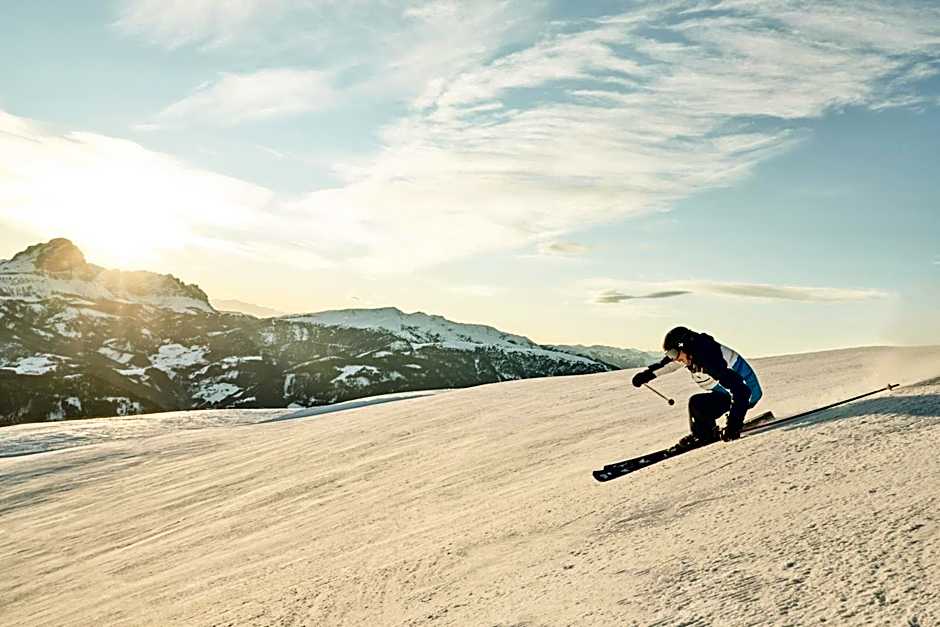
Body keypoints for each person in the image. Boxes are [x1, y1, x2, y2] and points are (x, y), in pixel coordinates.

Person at [632, 326, 762, 450]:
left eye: (673, 353)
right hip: (730, 392)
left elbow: (742, 391)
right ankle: (704, 434)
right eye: (670, 354)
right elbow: (668, 365)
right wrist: (645, 376)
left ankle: (704, 435)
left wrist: (734, 425)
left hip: (747, 394)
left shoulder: (709, 358)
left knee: (698, 404)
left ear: (684, 346)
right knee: (698, 403)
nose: (674, 358)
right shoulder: (690, 353)